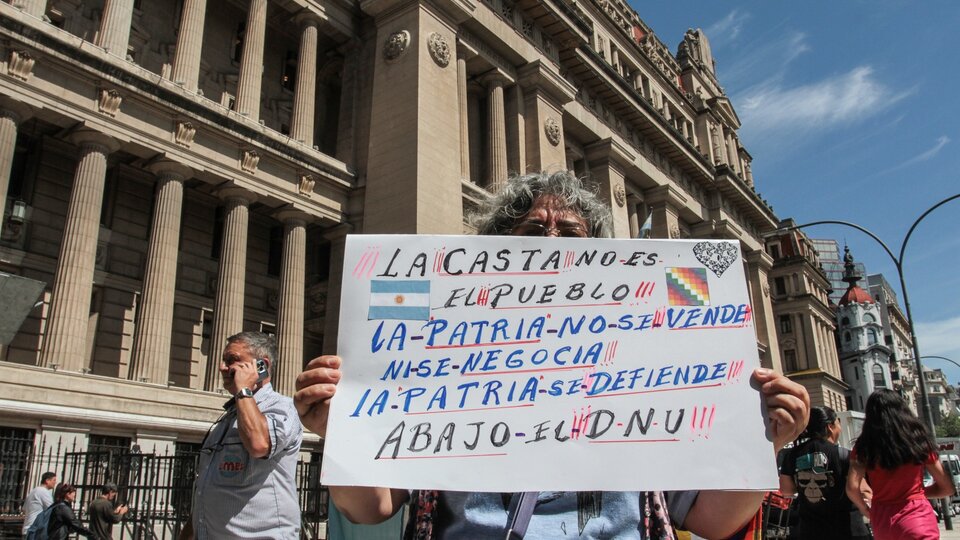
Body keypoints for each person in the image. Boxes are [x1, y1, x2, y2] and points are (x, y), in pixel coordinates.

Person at [295, 171, 811, 538]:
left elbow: (711, 521)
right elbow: (370, 507)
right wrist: (345, 433)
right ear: (495, 251)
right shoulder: (438, 352)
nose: (552, 242)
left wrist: (768, 442)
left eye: (570, 234)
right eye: (533, 231)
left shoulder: (645, 361)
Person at [179, 331, 303, 539]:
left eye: (232, 360)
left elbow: (259, 444)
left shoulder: (283, 408)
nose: (222, 367)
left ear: (261, 366)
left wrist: (243, 390)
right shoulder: (228, 418)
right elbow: (207, 494)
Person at [847, 389, 953, 540]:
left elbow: (852, 488)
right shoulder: (917, 440)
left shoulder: (864, 446)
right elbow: (947, 488)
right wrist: (919, 493)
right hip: (917, 518)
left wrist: (866, 509)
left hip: (883, 522)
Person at [779, 406, 870, 539]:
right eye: (838, 423)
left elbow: (786, 490)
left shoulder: (792, 455)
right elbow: (860, 489)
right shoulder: (845, 456)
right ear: (830, 426)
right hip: (848, 530)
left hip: (811, 531)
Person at [22, 471, 56, 537]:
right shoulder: (43, 492)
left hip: (27, 529)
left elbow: (24, 509)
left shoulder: (33, 491)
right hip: (35, 531)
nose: (55, 482)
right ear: (47, 481)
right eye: (54, 480)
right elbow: (53, 510)